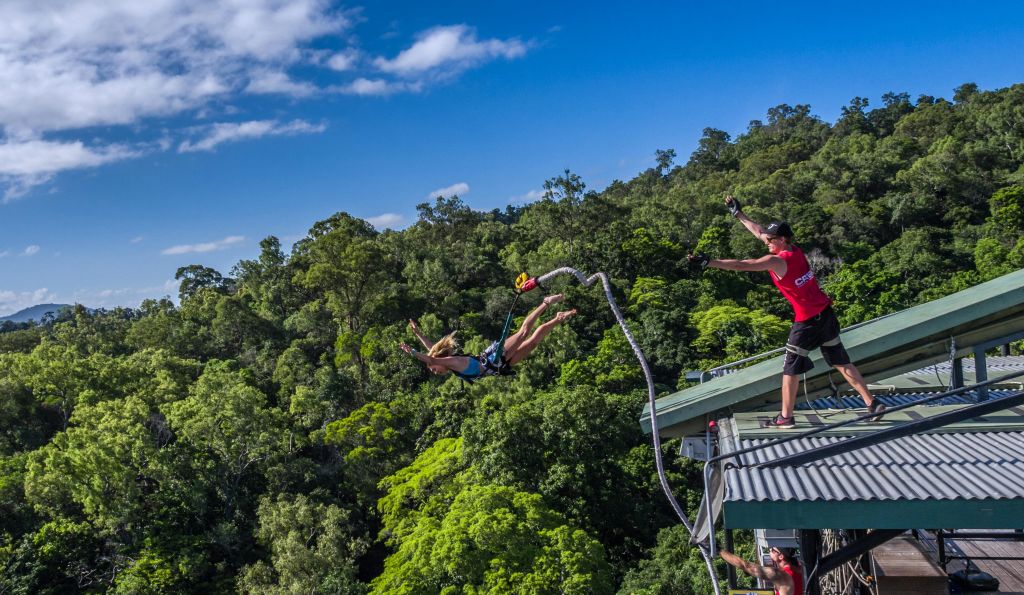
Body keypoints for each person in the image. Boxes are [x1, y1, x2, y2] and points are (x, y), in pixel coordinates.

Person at [688, 195, 885, 428]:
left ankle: (786, 417)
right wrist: (738, 214)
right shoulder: (795, 250)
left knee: (790, 369)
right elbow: (759, 232)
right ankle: (872, 403)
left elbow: (744, 264)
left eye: (771, 239)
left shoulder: (778, 261)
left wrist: (709, 262)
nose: (766, 241)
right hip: (825, 313)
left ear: (782, 239)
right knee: (841, 361)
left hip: (807, 321)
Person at [400, 294, 576, 381]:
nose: (434, 371)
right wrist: (419, 334)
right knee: (532, 343)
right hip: (500, 366)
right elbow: (432, 349)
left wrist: (413, 352)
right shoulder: (450, 365)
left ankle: (546, 302)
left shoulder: (451, 361)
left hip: (494, 356)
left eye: (433, 369)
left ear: (438, 361)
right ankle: (557, 318)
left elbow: (431, 357)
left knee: (523, 333)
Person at [720, 547, 804, 595]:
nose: (769, 550)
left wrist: (720, 551)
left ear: (781, 556)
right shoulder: (802, 569)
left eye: (772, 550)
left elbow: (746, 566)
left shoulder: (781, 575)